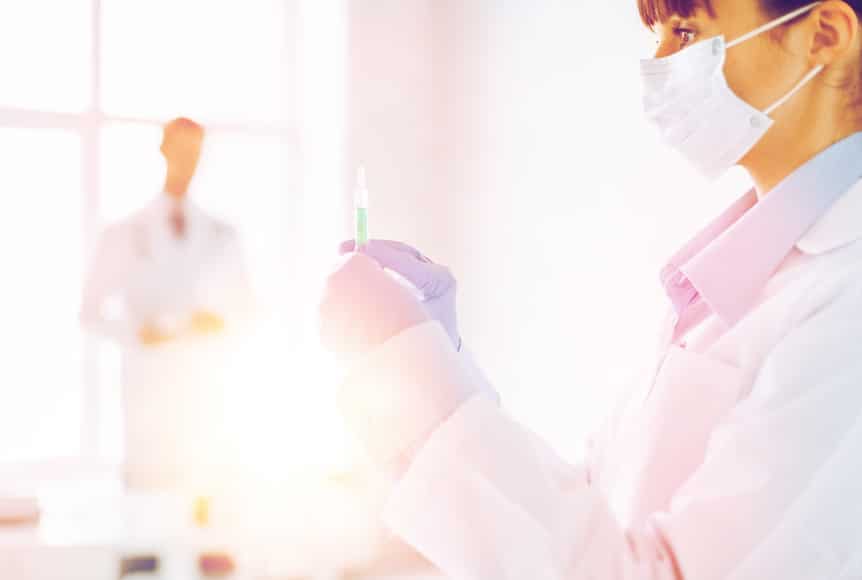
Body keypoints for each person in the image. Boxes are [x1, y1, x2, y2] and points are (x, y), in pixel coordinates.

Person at [319, 0, 862, 578]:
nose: (657, 63)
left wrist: (418, 384)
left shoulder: (844, 302)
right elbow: (590, 518)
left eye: (685, 31)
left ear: (824, 35)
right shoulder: (730, 286)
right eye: (657, 35)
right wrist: (443, 369)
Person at [81, 117, 253, 491]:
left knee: (211, 522)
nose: (188, 162)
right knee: (146, 515)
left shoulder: (222, 234)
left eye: (195, 153)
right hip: (148, 389)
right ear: (163, 151)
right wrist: (137, 333)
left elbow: (247, 312)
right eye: (181, 151)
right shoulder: (123, 233)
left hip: (206, 394)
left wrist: (220, 323)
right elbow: (89, 312)